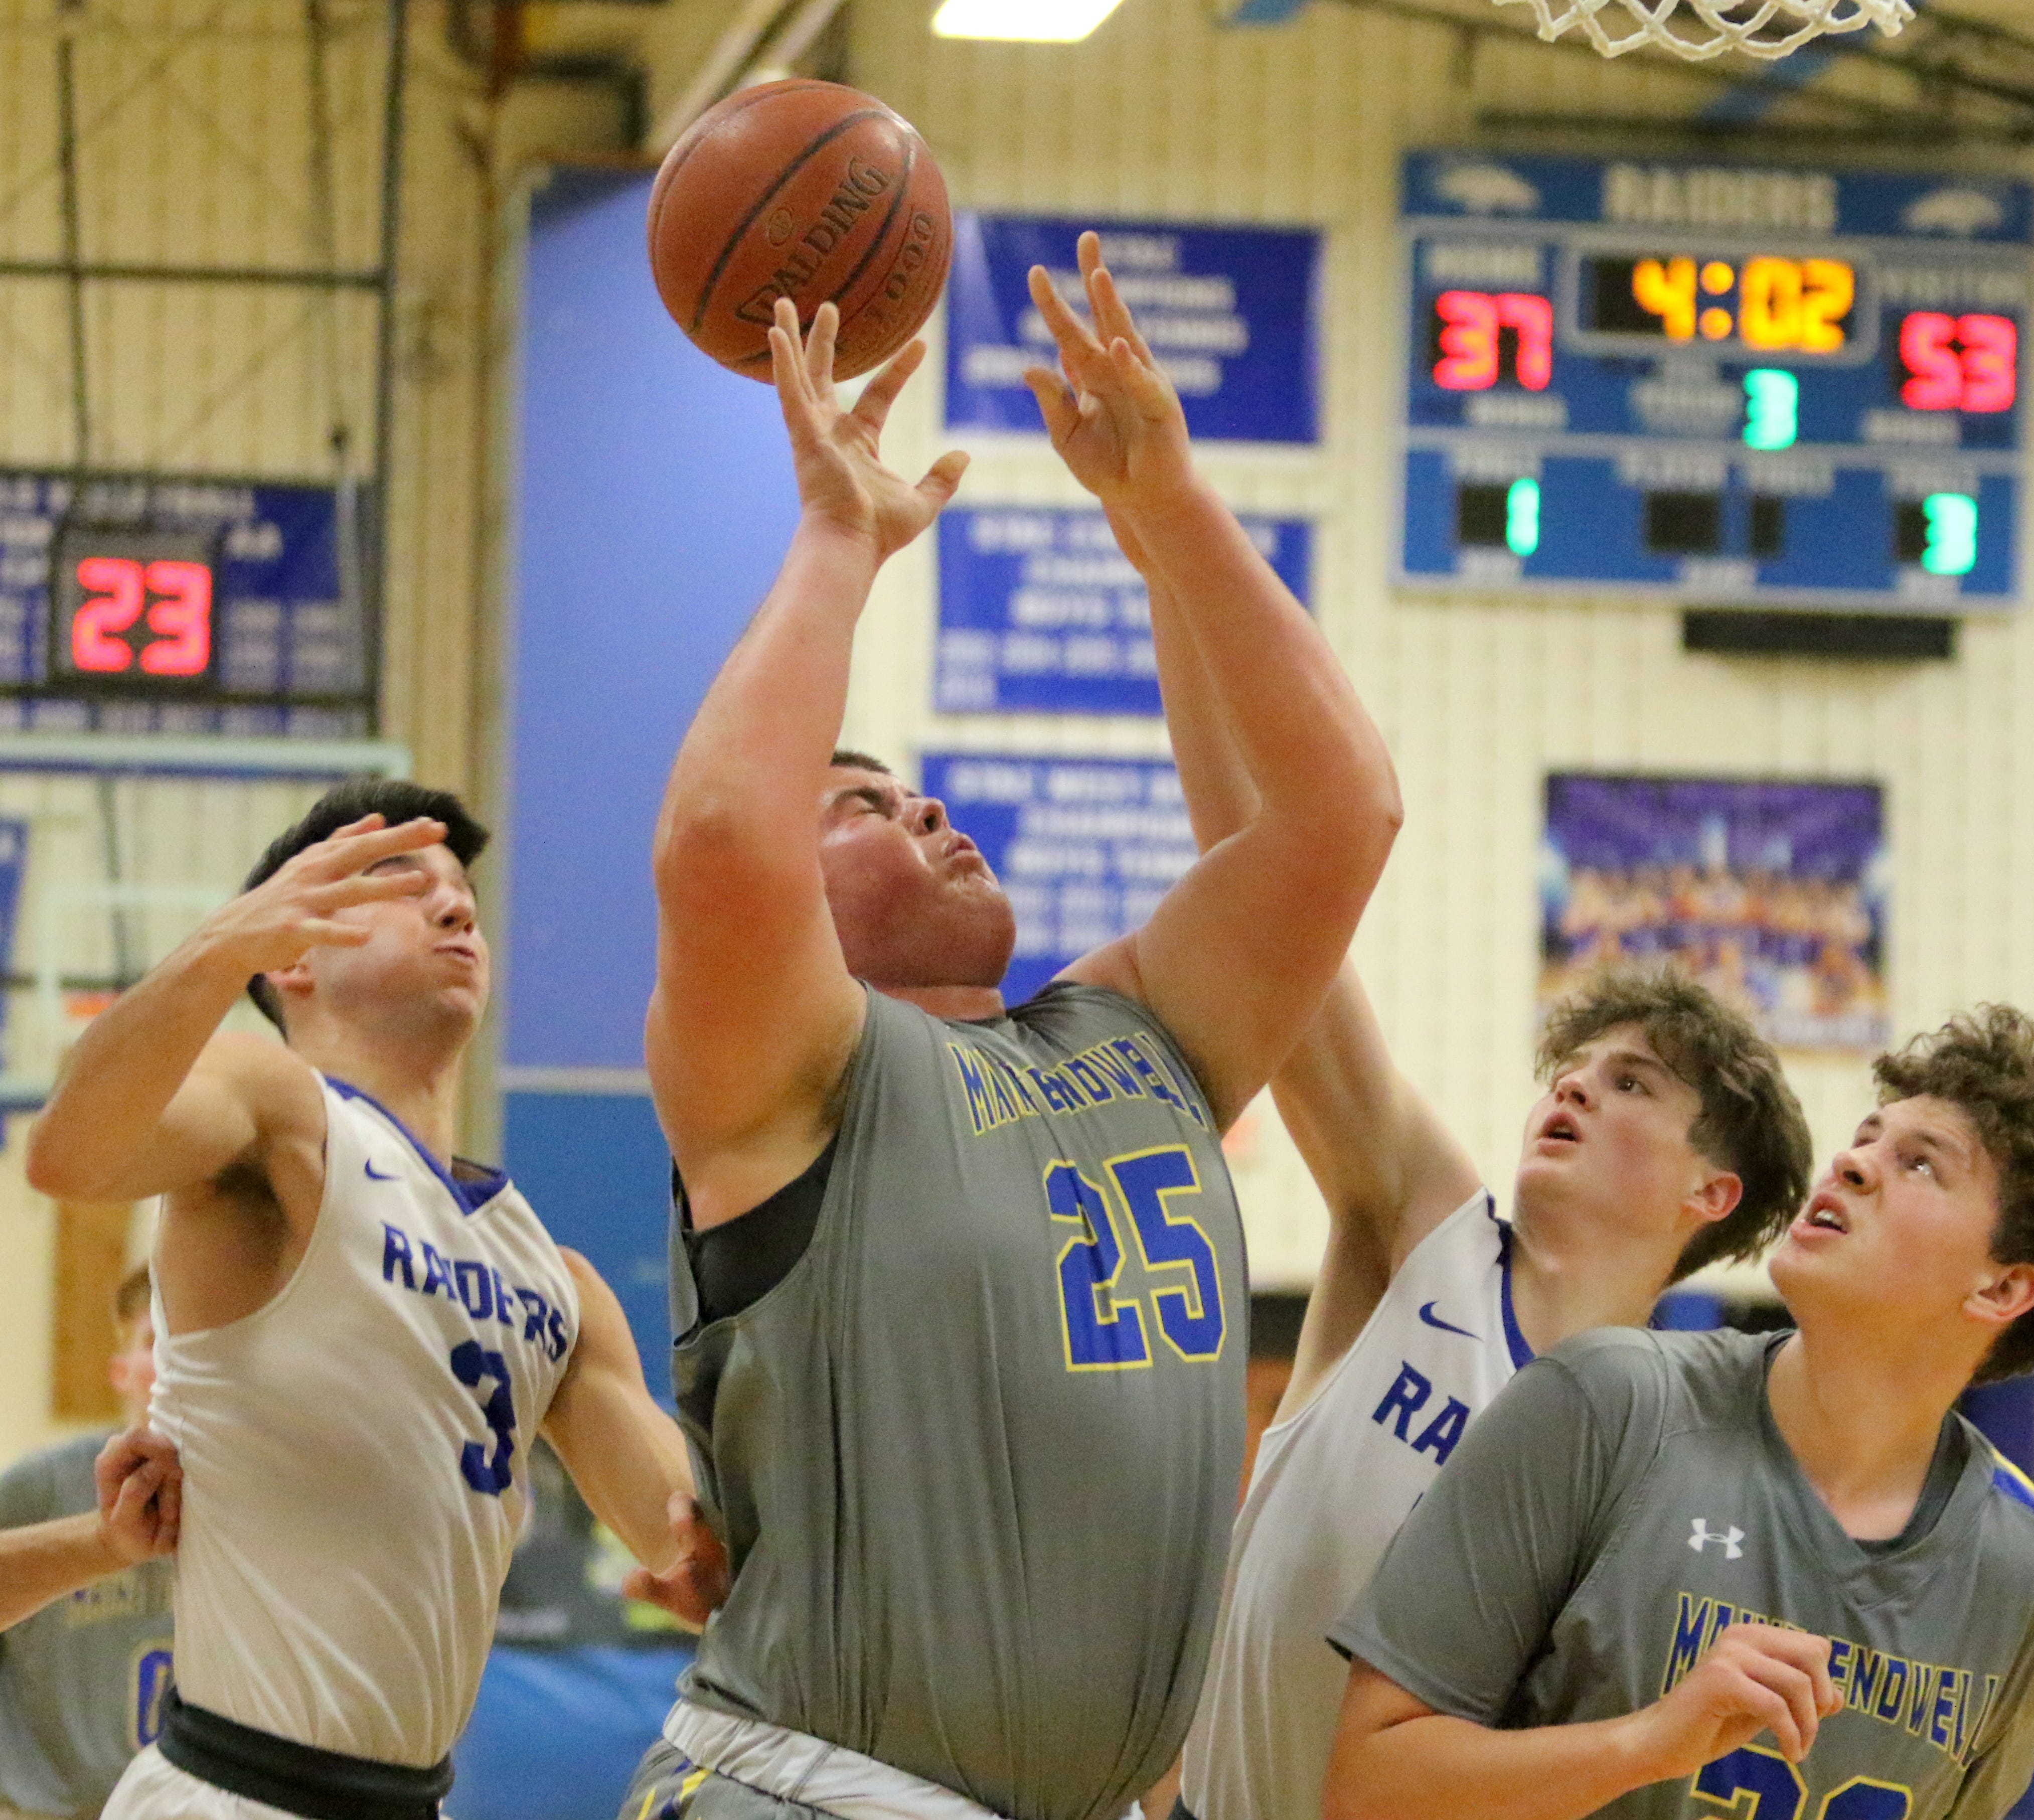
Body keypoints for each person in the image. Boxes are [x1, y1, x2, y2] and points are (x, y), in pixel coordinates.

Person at [618, 253, 1400, 1820]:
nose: (918, 801)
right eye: (856, 806)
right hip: (813, 1793)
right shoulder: (785, 1077)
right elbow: (718, 832)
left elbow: (1338, 812)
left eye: (910, 787)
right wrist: (841, 536)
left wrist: (1169, 507)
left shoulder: (1137, 1030)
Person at [1056, 250, 1813, 1820]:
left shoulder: (1665, 1451)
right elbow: (1257, 876)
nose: (1572, 1090)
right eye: (1574, 1066)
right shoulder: (1424, 1232)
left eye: (1632, 1090)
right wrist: (1158, 542)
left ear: (1707, 1197)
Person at [25, 780, 704, 1820]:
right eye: (402, 881)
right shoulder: (276, 1111)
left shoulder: (552, 1275)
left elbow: (688, 1549)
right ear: (292, 954)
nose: (453, 903)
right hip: (232, 1791)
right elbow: (69, 1151)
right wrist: (218, 946)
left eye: (463, 889)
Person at [1323, 1005, 2034, 1820]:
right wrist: (1643, 1742)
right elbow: (1366, 1785)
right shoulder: (1603, 1400)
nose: (1852, 1163)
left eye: (1919, 1164)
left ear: (1999, 1287)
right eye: (1864, 1137)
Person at [0, 1267, 178, 1820]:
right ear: (119, 1372)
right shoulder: (40, 1487)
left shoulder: (252, 1502)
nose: (174, 1360)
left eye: (187, 1342)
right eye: (155, 1342)